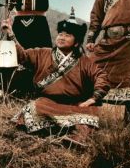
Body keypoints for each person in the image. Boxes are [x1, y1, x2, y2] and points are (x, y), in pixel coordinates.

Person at [7, 9, 110, 146]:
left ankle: (75, 138)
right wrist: (11, 34)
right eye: (60, 34)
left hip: (75, 105)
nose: (61, 37)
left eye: (67, 35)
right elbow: (23, 56)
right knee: (35, 107)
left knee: (91, 111)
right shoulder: (42, 53)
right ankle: (54, 131)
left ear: (76, 43)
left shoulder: (85, 61)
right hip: (48, 102)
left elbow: (101, 76)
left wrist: (94, 98)